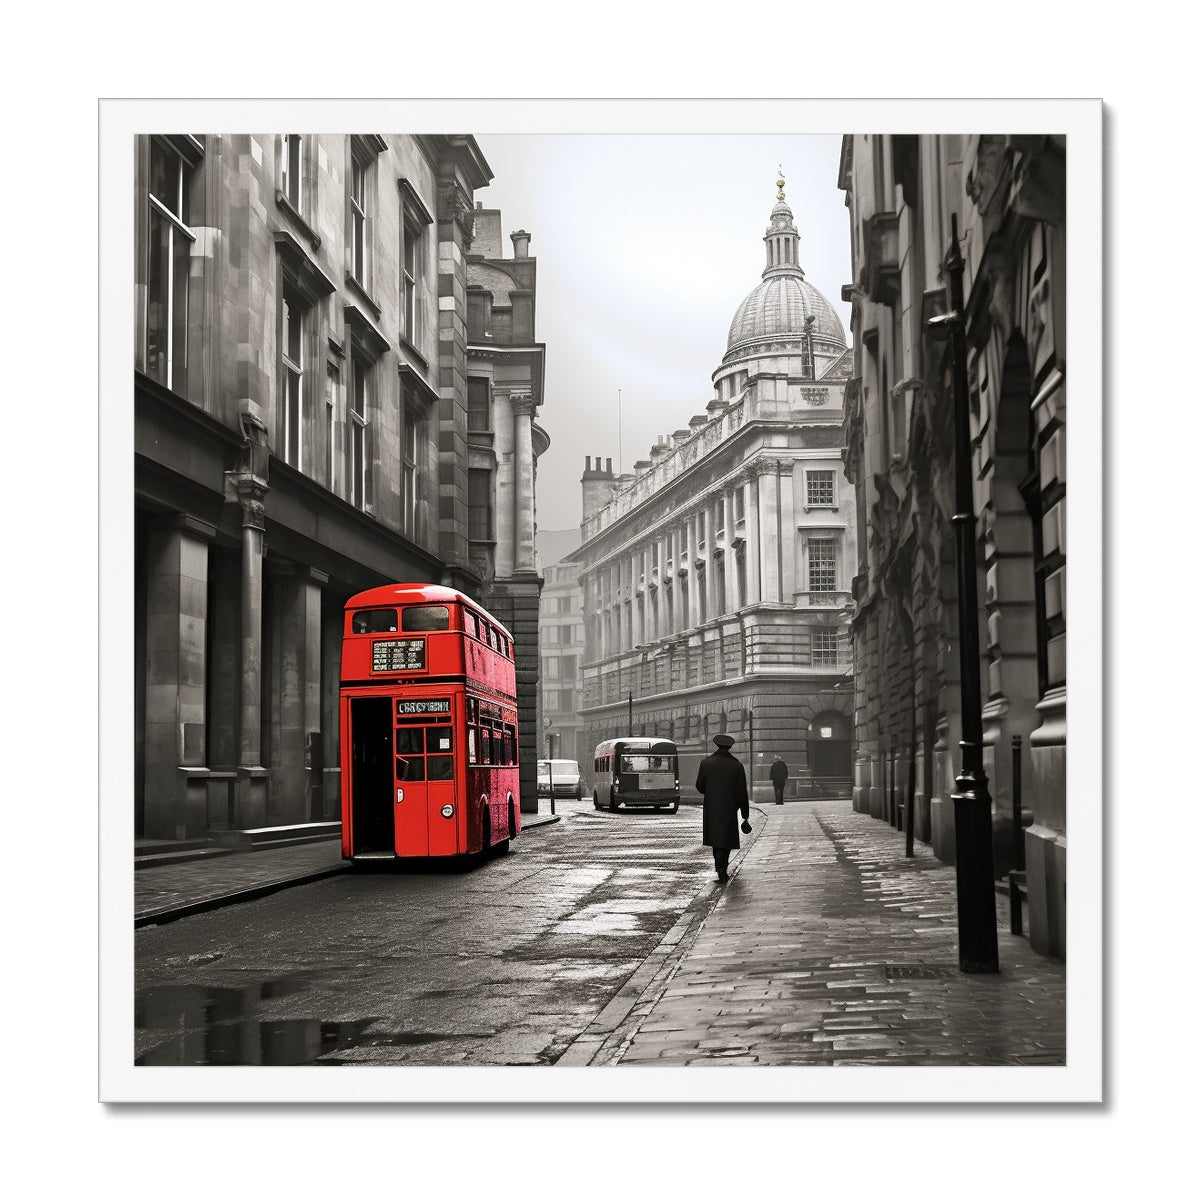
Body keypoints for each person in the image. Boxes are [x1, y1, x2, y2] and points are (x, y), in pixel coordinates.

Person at [695, 733, 751, 883]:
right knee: (726, 840)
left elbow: (700, 786)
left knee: (715, 839)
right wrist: (745, 814)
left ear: (717, 746)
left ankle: (719, 868)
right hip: (729, 809)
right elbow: (742, 792)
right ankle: (723, 869)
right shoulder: (737, 766)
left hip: (712, 808)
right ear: (730, 747)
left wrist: (712, 791)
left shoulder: (706, 763)